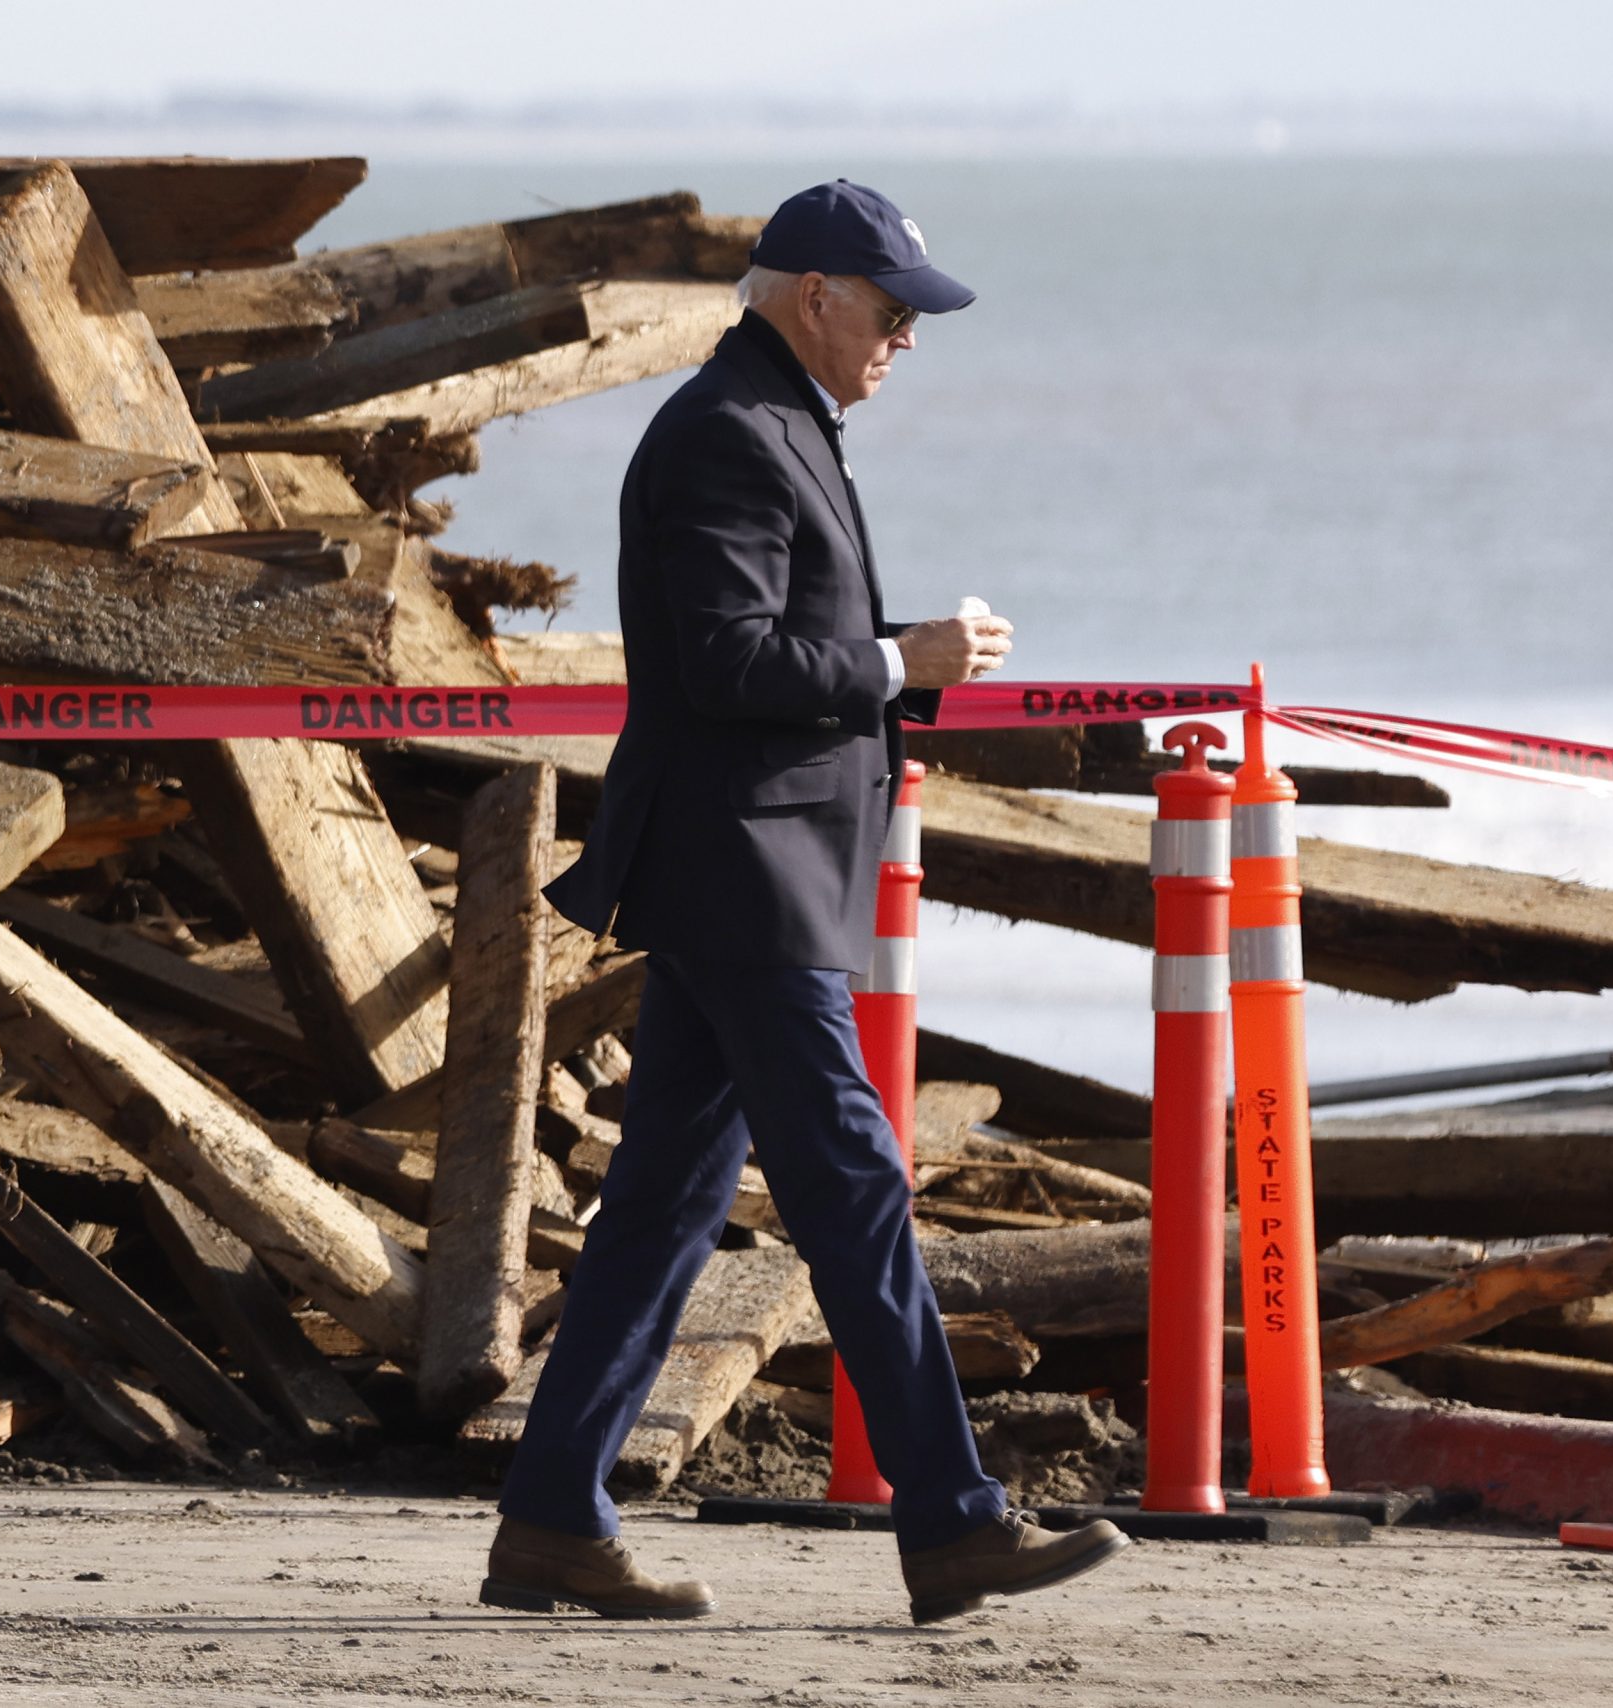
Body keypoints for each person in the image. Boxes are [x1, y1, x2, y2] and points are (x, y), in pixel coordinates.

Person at [478, 179, 1127, 1627]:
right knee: (851, 1188)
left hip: (750, 873)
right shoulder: (728, 431)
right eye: (893, 314)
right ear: (815, 294)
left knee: (661, 1209)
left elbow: (761, 655)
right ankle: (955, 1523)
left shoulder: (773, 419)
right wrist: (907, 664)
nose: (905, 341)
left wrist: (900, 673)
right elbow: (726, 663)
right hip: (744, 879)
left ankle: (548, 1522)